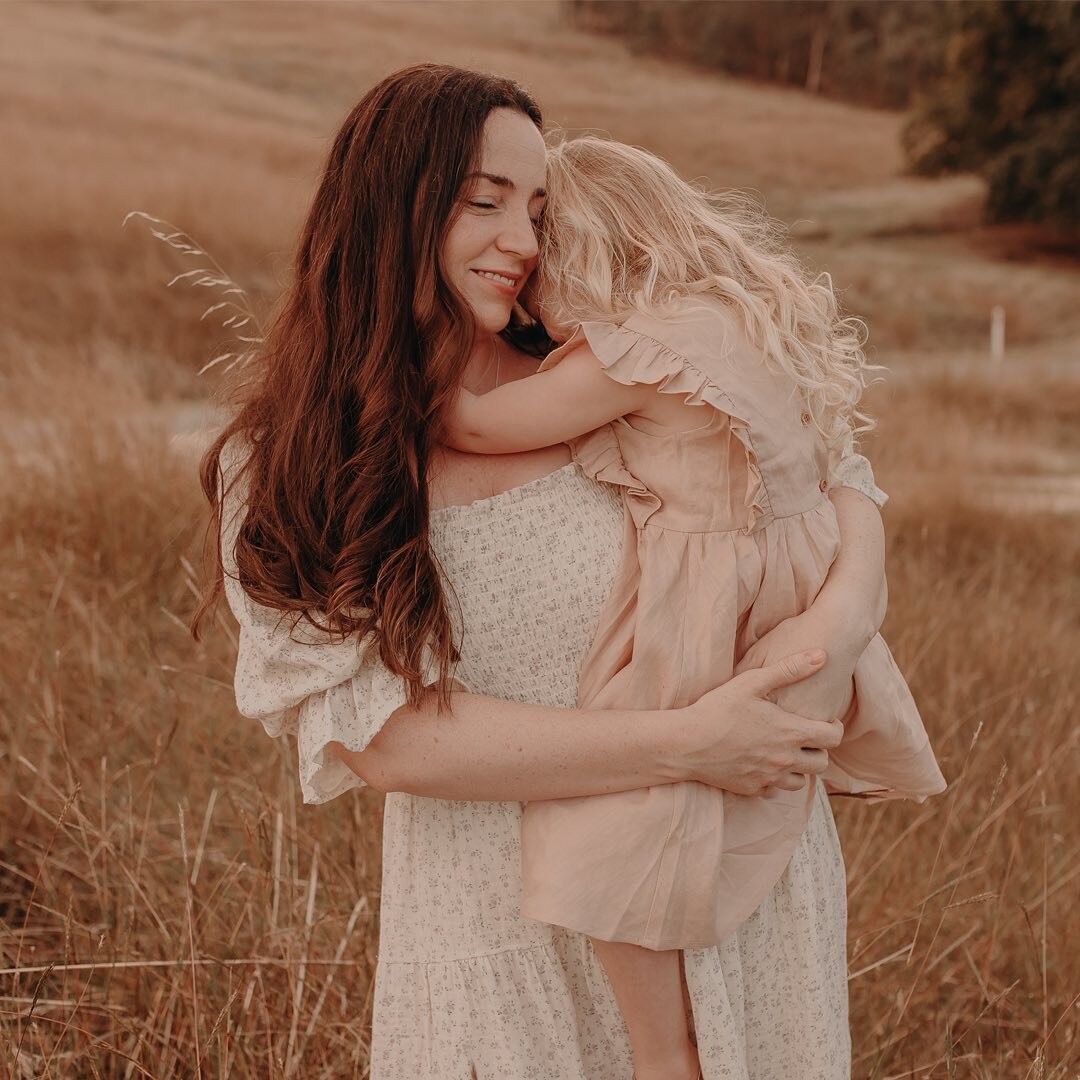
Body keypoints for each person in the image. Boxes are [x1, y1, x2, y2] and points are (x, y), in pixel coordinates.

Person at [196, 64, 901, 1079]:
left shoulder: (613, 372)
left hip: (729, 901)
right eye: (484, 203)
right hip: (499, 933)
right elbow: (386, 741)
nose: (522, 244)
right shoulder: (288, 466)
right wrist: (691, 743)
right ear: (394, 206)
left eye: (539, 210)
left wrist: (840, 620)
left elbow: (835, 474)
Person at [444, 135, 947, 1080]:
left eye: (542, 244)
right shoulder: (735, 319)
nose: (526, 272)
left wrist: (387, 368)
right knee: (715, 806)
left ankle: (664, 1053)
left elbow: (476, 423)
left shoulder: (638, 353)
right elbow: (844, 476)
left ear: (585, 252)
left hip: (708, 604)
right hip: (795, 584)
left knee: (609, 818)